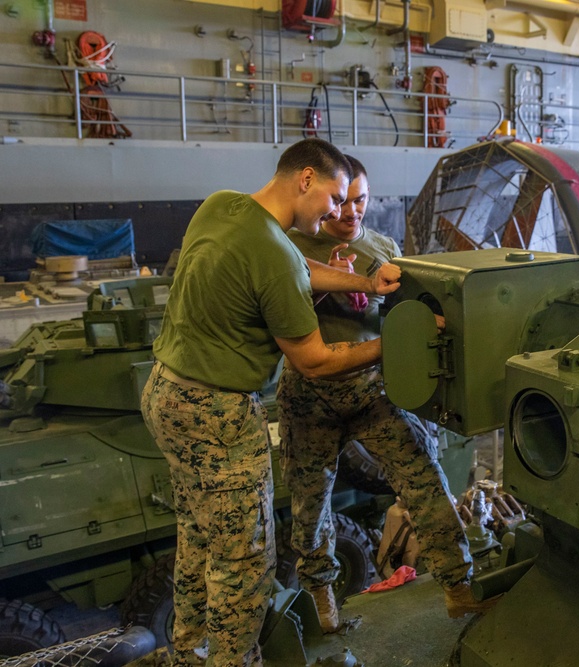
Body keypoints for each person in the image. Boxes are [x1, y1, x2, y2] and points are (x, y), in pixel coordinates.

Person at [141, 139, 401, 667]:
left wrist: (366, 283)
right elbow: (315, 361)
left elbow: (295, 266)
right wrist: (393, 345)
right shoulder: (276, 257)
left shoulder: (223, 206)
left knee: (198, 537)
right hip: (218, 415)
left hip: (165, 394)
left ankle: (190, 652)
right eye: (332, 196)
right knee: (245, 563)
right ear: (305, 179)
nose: (336, 210)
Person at [277, 155, 491, 632]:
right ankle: (322, 597)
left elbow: (406, 312)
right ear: (325, 199)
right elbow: (279, 318)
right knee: (310, 509)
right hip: (310, 397)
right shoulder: (292, 246)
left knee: (426, 480)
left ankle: (458, 586)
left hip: (372, 392)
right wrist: (325, 280)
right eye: (343, 203)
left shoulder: (383, 249)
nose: (352, 212)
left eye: (362, 201)